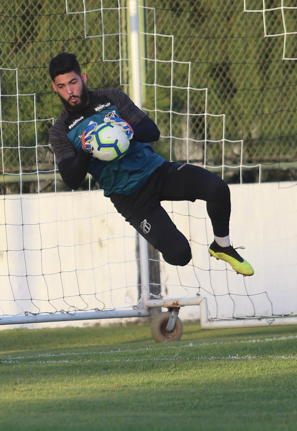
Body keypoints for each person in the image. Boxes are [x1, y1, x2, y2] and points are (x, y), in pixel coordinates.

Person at [47, 52, 253, 276]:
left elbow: (152, 131)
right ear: (55, 88)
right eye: (62, 86)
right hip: (131, 198)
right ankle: (159, 236)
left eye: (73, 82)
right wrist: (86, 151)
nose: (70, 91)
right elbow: (71, 179)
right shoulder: (61, 131)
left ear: (83, 78)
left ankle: (222, 246)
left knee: (217, 188)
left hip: (158, 172)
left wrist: (127, 131)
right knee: (180, 254)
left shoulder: (111, 98)